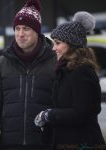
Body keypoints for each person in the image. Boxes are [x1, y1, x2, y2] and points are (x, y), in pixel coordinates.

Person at [0, 0, 56, 150]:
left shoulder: (54, 62)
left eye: (26, 28)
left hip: (44, 145)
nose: (20, 34)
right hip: (9, 145)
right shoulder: (2, 63)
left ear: (37, 31)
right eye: (17, 28)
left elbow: (62, 108)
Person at [35, 11, 106, 150]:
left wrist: (48, 115)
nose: (54, 48)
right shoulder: (66, 70)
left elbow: (80, 113)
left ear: (72, 45)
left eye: (58, 43)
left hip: (82, 143)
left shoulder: (81, 72)